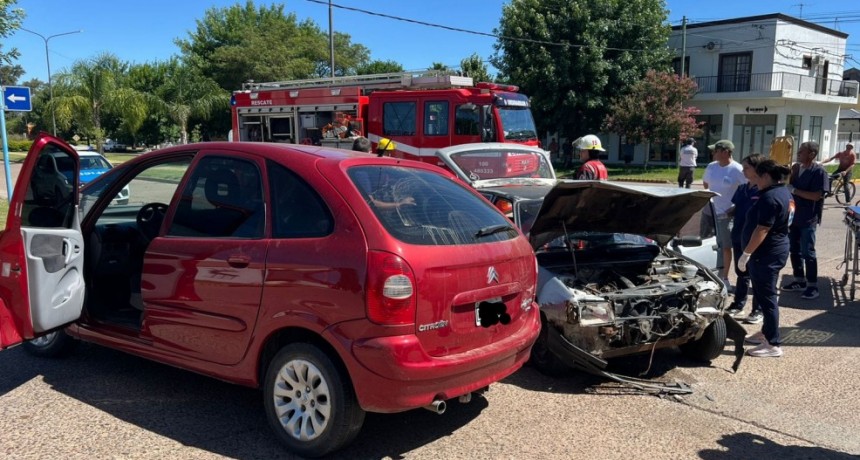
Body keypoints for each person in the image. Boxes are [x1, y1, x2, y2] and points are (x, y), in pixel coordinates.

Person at [737, 159, 793, 358]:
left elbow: (762, 229)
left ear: (766, 176)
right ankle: (766, 333)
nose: (755, 180)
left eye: (757, 176)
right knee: (762, 294)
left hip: (766, 254)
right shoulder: (784, 192)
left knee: (767, 297)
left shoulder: (770, 197)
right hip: (773, 251)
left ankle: (773, 343)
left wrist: (746, 253)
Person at [782, 141, 829, 300]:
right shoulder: (796, 169)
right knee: (793, 249)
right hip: (793, 216)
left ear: (812, 154)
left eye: (802, 152)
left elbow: (817, 195)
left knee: (807, 251)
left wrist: (795, 190)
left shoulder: (819, 172)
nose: (798, 154)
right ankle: (799, 279)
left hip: (808, 218)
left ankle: (812, 285)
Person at [701, 139, 746, 287]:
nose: (713, 153)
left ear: (726, 152)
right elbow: (706, 184)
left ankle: (724, 278)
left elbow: (746, 190)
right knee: (705, 244)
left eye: (716, 150)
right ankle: (706, 274)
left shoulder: (738, 169)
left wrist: (734, 208)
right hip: (709, 212)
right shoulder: (711, 166)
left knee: (725, 247)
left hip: (726, 215)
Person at [726, 153, 764, 323]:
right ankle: (738, 304)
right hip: (739, 236)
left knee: (757, 275)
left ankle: (758, 309)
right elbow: (736, 207)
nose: (743, 170)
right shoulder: (742, 188)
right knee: (741, 272)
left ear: (757, 169)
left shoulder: (763, 190)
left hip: (754, 239)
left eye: (747, 167)